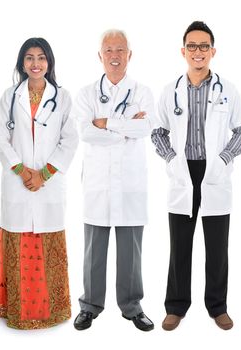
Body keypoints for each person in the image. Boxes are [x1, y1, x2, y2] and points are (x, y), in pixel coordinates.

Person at [152, 20, 241, 331]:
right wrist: (170, 160)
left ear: (213, 51)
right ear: (183, 51)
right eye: (192, 46)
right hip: (183, 174)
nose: (198, 52)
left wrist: (224, 158)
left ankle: (217, 306)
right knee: (179, 245)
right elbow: (157, 132)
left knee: (217, 246)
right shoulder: (171, 91)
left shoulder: (228, 90)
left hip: (214, 172)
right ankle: (176, 306)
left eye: (203, 46)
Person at [0, 37, 78, 330]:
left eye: (41, 57)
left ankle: (52, 310)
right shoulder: (9, 96)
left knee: (47, 240)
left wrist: (44, 174)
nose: (36, 63)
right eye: (29, 58)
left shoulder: (63, 98)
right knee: (18, 239)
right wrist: (22, 170)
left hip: (48, 184)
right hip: (18, 182)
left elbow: (70, 140)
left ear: (49, 62)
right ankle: (15, 309)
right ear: (21, 63)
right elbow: (1, 139)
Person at [72, 29, 156, 332]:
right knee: (94, 248)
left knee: (131, 250)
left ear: (130, 55)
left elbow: (146, 127)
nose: (115, 56)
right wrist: (124, 128)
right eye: (108, 50)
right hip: (98, 183)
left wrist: (106, 123)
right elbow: (85, 132)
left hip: (131, 183)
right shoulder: (86, 94)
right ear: (100, 56)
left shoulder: (143, 91)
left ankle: (132, 307)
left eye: (120, 50)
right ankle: (91, 305)